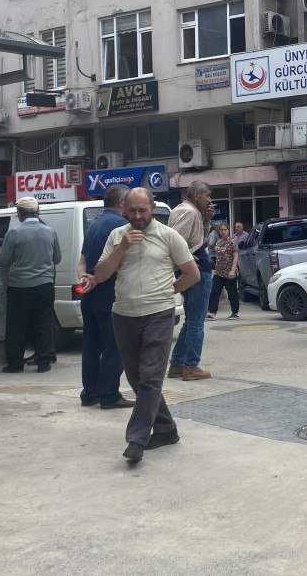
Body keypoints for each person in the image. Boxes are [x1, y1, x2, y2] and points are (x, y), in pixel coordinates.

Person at [95, 188, 200, 464]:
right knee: (137, 379)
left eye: (143, 210)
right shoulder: (117, 236)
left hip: (158, 314)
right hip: (123, 314)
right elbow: (101, 274)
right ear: (124, 209)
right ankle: (166, 429)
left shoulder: (168, 236)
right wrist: (123, 247)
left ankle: (137, 439)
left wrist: (167, 293)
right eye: (132, 210)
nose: (138, 216)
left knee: (151, 376)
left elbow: (192, 274)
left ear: (152, 208)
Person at [76, 184, 134, 409]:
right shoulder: (121, 226)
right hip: (109, 293)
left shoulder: (94, 224)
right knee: (115, 345)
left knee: (91, 344)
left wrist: (86, 279)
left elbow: (82, 261)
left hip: (90, 294)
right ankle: (109, 394)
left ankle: (89, 392)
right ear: (121, 203)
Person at [0, 197, 61, 373]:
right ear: (38, 211)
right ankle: (43, 361)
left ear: (19, 214)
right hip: (45, 285)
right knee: (43, 322)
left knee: (16, 325)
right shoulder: (50, 232)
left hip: (19, 286)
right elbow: (57, 259)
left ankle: (15, 363)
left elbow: (3, 260)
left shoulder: (14, 234)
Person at [168, 181, 215, 381]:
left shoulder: (187, 211)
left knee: (191, 321)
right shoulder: (189, 212)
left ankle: (177, 364)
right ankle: (191, 366)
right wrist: (189, 261)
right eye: (206, 195)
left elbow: (198, 240)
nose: (209, 199)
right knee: (196, 322)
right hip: (197, 270)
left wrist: (206, 219)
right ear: (196, 195)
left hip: (190, 268)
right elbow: (176, 240)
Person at [207, 223, 240, 321]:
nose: (223, 231)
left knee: (232, 292)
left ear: (228, 231)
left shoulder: (232, 242)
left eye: (225, 229)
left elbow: (235, 256)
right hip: (219, 272)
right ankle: (212, 312)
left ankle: (235, 312)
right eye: (221, 230)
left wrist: (233, 270)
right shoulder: (219, 242)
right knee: (214, 291)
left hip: (229, 272)